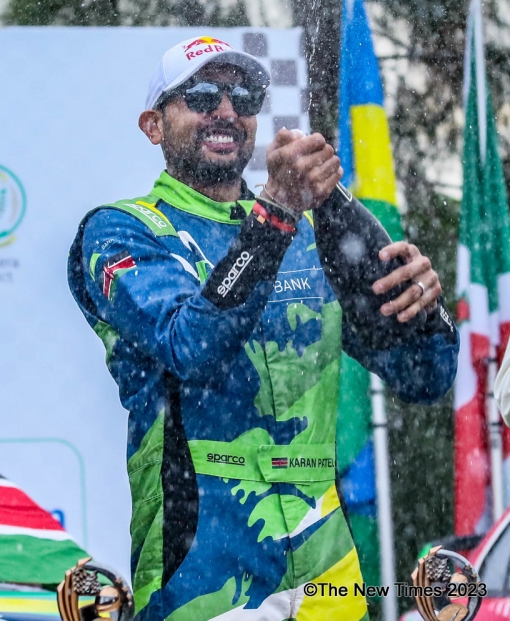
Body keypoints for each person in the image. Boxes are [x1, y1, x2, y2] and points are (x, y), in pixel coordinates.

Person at [66, 37, 458, 621]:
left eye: (244, 96)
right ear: (154, 125)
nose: (226, 110)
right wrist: (274, 213)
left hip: (329, 578)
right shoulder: (122, 232)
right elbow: (190, 347)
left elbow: (425, 376)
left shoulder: (308, 236)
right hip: (202, 573)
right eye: (202, 95)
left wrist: (428, 308)